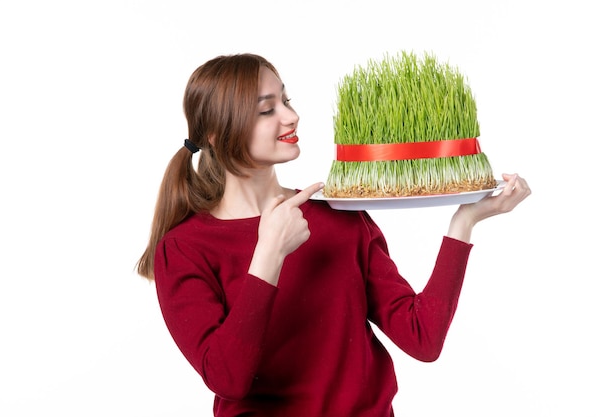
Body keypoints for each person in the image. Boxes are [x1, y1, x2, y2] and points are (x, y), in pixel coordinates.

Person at [136, 53, 531, 417]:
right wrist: (268, 256)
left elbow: (422, 338)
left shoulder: (338, 215)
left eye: (286, 101)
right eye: (267, 109)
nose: (290, 117)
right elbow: (227, 379)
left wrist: (464, 223)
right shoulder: (184, 249)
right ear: (218, 137)